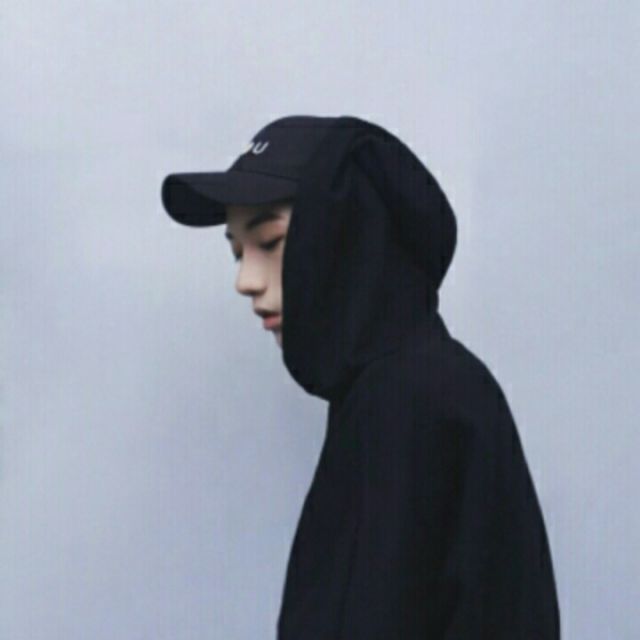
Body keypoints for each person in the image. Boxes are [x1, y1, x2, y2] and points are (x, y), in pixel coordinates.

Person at [161, 114, 561, 638]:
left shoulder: (413, 397)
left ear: (348, 237)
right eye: (237, 252)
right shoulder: (395, 388)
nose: (245, 281)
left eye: (271, 242)